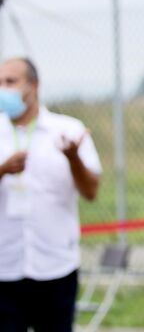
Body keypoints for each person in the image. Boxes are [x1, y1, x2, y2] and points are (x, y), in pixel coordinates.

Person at [0, 57, 102, 331]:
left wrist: (73, 158)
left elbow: (91, 192)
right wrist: (2, 170)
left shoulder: (68, 130)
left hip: (55, 267)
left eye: (10, 82)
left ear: (33, 86)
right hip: (5, 267)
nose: (2, 89)